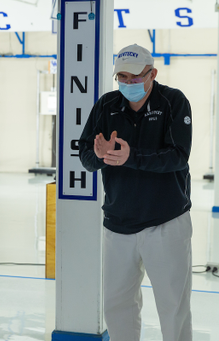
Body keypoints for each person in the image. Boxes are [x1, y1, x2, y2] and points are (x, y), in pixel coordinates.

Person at [79, 44, 193, 340]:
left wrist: (132, 157)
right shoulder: (107, 105)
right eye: (122, 78)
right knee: (117, 306)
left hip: (165, 222)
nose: (127, 84)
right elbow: (86, 155)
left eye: (134, 78)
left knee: (173, 307)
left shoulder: (173, 102)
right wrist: (100, 156)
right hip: (118, 224)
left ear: (152, 73)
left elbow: (178, 156)